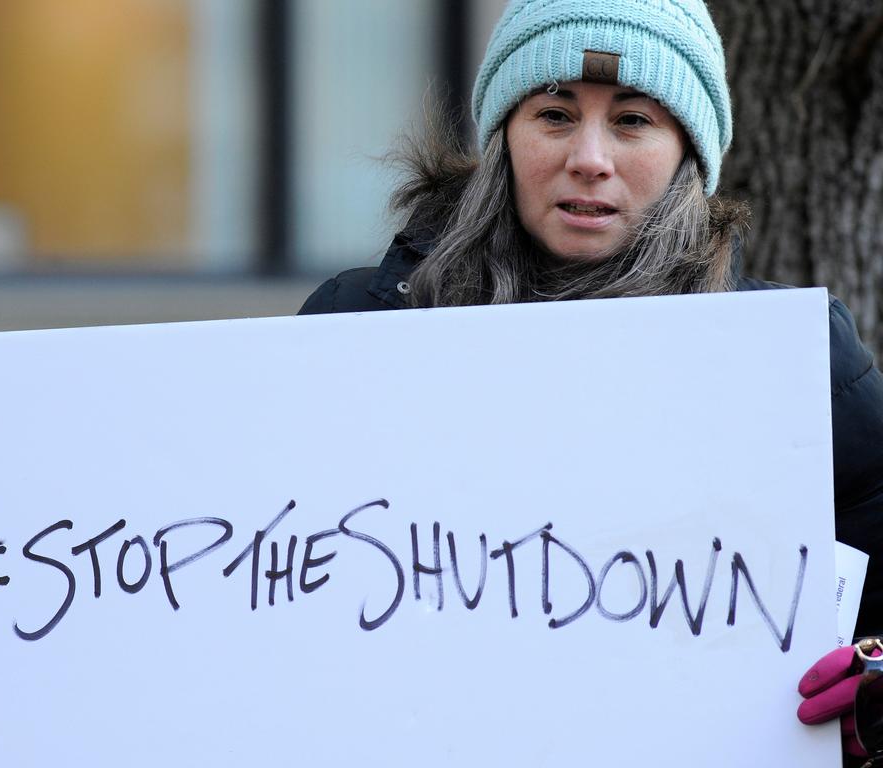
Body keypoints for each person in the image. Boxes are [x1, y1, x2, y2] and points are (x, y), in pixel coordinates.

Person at [298, 0, 883, 763]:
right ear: (505, 135)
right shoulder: (355, 325)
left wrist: (871, 679)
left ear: (687, 154)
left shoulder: (791, 357)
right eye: (555, 114)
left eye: (634, 119)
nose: (591, 158)